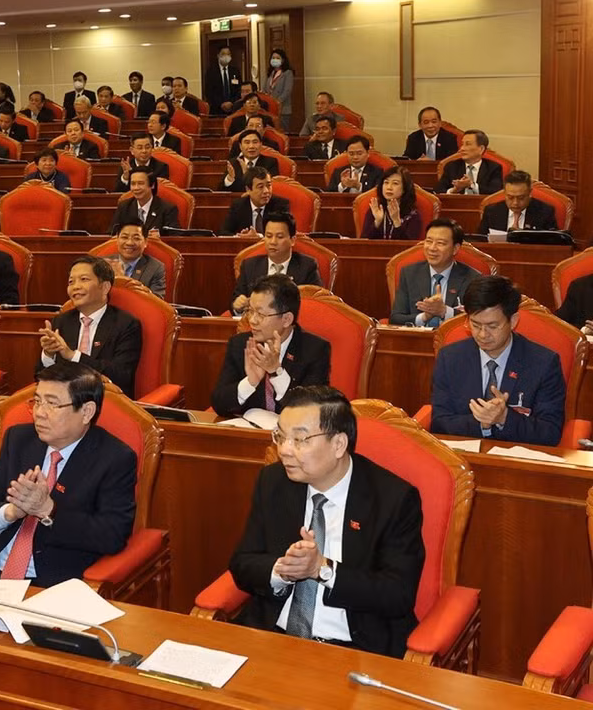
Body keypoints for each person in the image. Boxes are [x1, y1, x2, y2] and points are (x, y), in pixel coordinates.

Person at [229, 385, 425, 657]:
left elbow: (397, 594)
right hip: (273, 640)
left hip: (357, 651)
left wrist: (322, 569)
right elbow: (242, 563)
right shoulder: (273, 482)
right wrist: (282, 570)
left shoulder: (394, 499)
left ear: (338, 444)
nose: (285, 450)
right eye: (281, 437)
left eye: (300, 440)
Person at [0, 360, 137, 587]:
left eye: (52, 404)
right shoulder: (19, 439)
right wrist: (11, 512)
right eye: (37, 401)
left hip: (51, 582)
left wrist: (47, 510)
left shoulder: (114, 458)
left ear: (87, 411)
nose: (39, 413)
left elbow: (112, 536)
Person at [430, 275, 566, 446]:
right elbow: (439, 422)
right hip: (464, 459)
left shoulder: (543, 363)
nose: (482, 334)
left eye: (492, 326)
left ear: (513, 321)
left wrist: (504, 418)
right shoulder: (450, 358)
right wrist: (481, 423)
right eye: (476, 325)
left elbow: (550, 433)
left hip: (519, 465)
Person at [212, 275, 331, 416]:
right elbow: (219, 404)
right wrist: (250, 382)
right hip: (249, 432)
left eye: (260, 314)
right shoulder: (240, 344)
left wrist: (276, 372)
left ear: (286, 319)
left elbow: (311, 411)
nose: (252, 320)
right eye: (250, 311)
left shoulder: (315, 350)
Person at [37, 256, 141, 397]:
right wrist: (48, 354)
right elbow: (39, 377)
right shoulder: (61, 322)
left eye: (84, 279)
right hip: (64, 401)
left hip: (109, 400)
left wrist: (73, 356)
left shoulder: (126, 324)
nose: (76, 286)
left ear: (104, 287)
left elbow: (122, 375)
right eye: (71, 282)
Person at [389, 219, 478, 327]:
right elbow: (395, 318)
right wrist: (424, 317)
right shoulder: (409, 273)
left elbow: (478, 318)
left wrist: (445, 311)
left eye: (440, 243)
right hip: (417, 340)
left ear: (455, 249)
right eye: (429, 241)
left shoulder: (473, 278)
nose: (432, 248)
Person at [230, 212, 322, 314]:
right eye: (268, 236)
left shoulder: (307, 267)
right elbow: (235, 302)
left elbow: (316, 304)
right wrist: (237, 306)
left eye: (279, 237)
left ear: (292, 240)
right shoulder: (249, 266)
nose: (273, 242)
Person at [477, 170, 558, 234]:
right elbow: (480, 240)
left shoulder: (545, 212)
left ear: (530, 193)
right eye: (510, 197)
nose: (515, 203)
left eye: (521, 198)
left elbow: (553, 244)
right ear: (505, 193)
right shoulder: (492, 211)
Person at [219, 167, 290, 236]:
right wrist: (240, 236)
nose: (266, 191)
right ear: (248, 190)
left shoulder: (280, 205)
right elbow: (224, 232)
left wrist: (258, 237)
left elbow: (283, 234)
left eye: (269, 185)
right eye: (260, 187)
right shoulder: (238, 206)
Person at [107, 168, 178, 236]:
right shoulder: (124, 206)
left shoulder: (167, 209)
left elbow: (174, 237)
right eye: (133, 184)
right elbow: (112, 233)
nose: (136, 188)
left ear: (152, 185)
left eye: (140, 183)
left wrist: (160, 236)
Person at [104, 220, 166, 298]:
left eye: (136, 238)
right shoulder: (102, 263)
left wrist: (122, 280)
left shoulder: (155, 267)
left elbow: (157, 303)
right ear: (117, 239)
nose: (129, 243)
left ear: (146, 242)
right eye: (124, 237)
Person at [363, 167, 422, 241]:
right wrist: (377, 222)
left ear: (404, 188)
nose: (389, 187)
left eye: (395, 183)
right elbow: (364, 242)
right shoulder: (376, 210)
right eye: (386, 182)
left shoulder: (413, 215)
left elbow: (409, 246)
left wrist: (397, 222)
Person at [436, 130, 503, 195]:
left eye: (467, 144)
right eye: (462, 144)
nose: (462, 148)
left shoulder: (493, 168)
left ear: (481, 149)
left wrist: (472, 185)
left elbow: (496, 193)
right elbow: (438, 191)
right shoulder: (452, 167)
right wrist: (453, 191)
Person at [204, 46, 242, 115]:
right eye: (223, 54)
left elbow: (239, 89)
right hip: (216, 109)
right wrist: (221, 104)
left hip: (233, 108)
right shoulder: (211, 72)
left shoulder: (235, 71)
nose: (226, 56)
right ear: (218, 55)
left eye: (228, 54)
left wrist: (231, 103)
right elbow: (209, 91)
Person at [265, 48, 295, 131]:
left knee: (282, 131)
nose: (275, 60)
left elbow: (287, 90)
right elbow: (266, 89)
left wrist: (277, 101)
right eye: (273, 58)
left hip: (282, 109)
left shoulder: (287, 73)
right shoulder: (270, 73)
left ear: (283, 60)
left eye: (277, 58)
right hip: (270, 109)